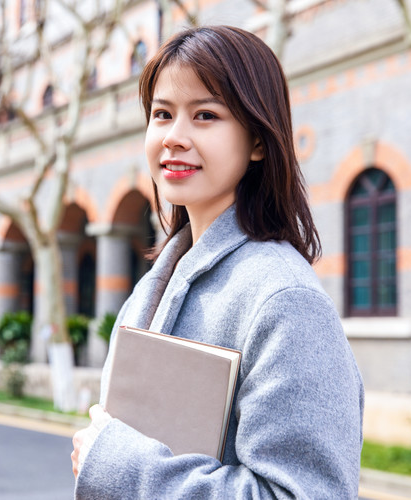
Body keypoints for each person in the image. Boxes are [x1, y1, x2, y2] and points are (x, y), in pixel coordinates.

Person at [71, 25, 364, 499]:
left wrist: (118, 464)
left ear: (258, 141)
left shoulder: (284, 300)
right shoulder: (155, 285)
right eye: (162, 114)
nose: (174, 137)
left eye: (205, 115)